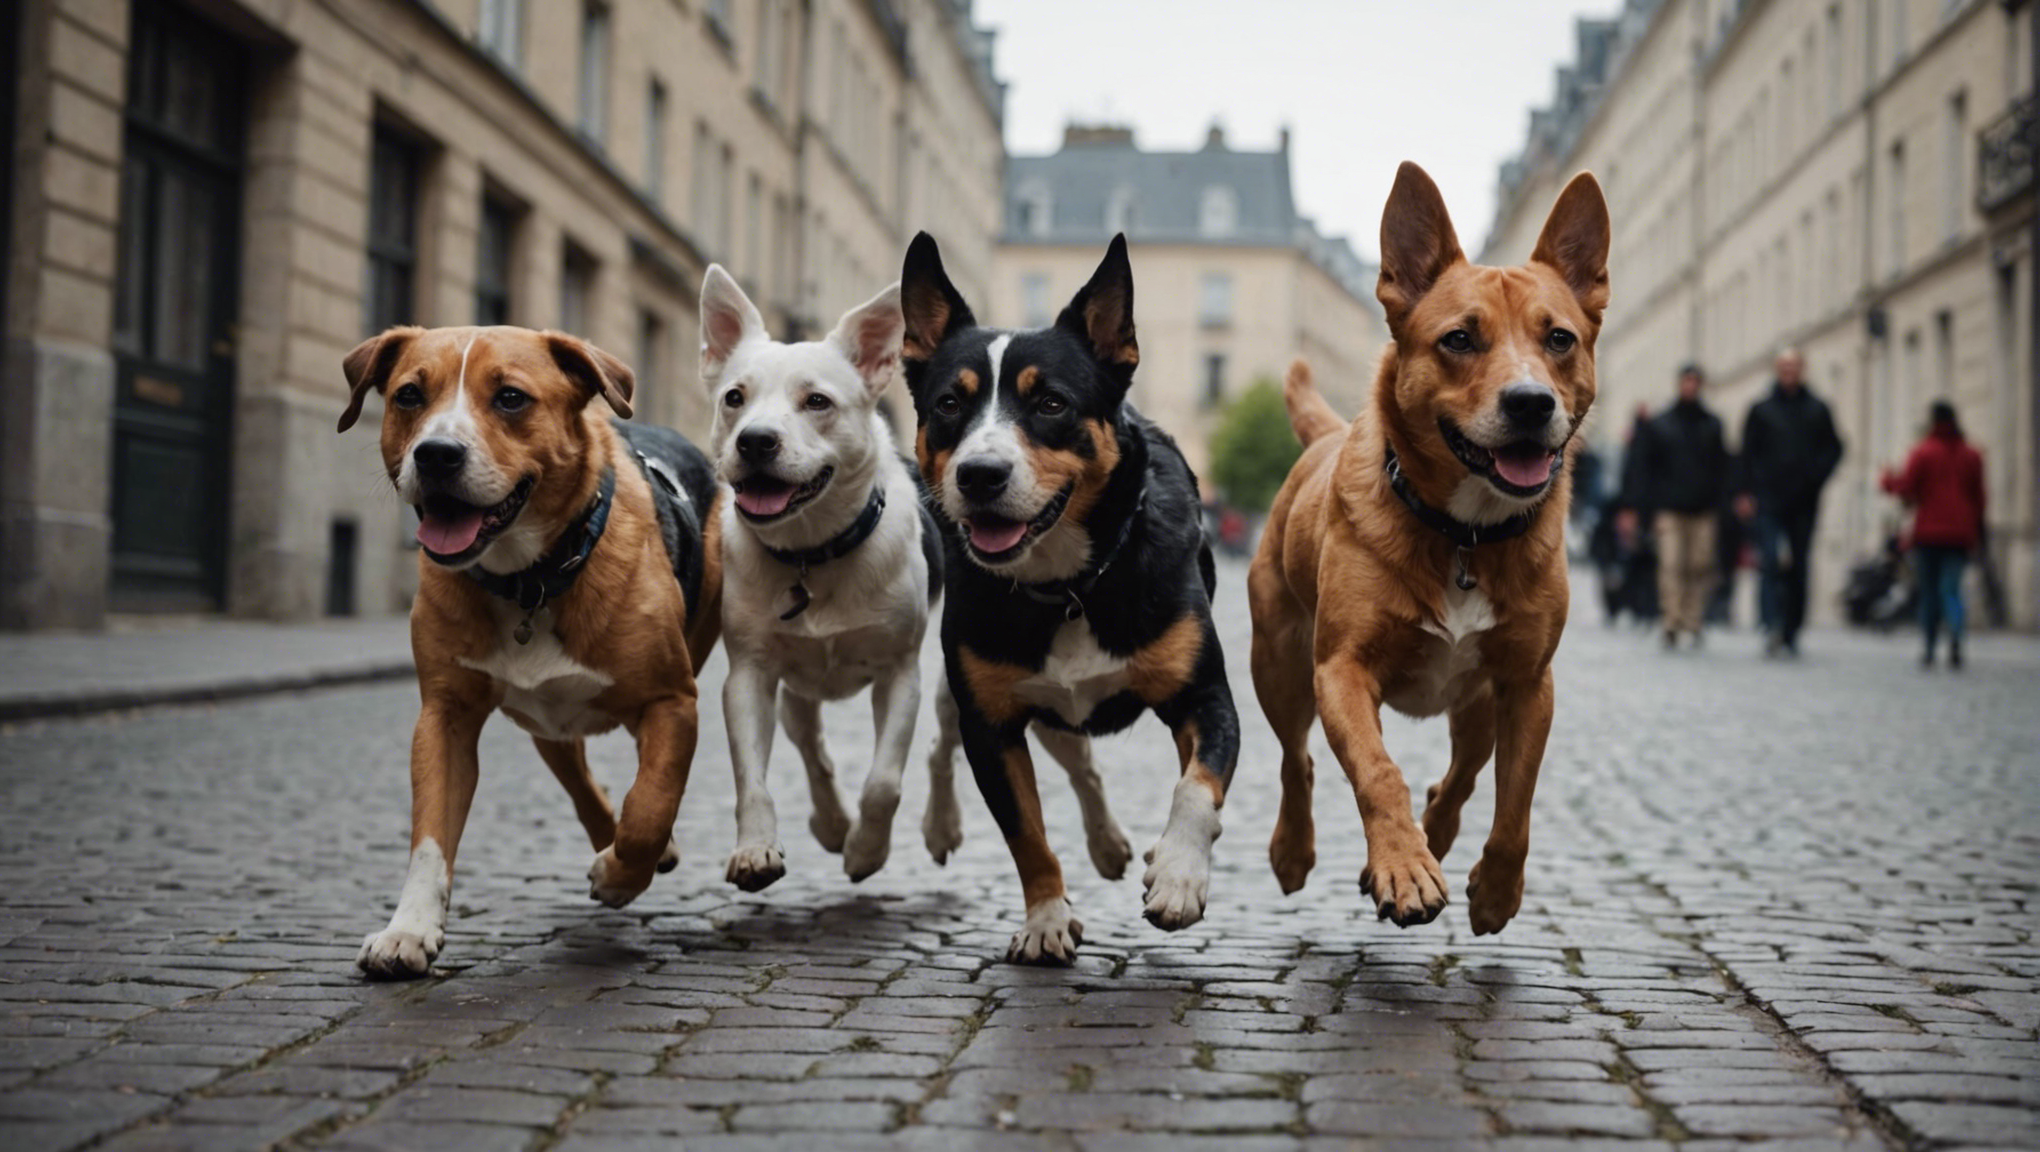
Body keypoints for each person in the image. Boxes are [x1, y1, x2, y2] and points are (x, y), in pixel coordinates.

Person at [1735, 349, 1844, 657]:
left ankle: (1793, 628)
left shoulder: (1817, 409)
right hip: (1768, 499)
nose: (1789, 372)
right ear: (1776, 370)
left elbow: (1834, 448)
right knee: (1769, 561)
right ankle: (1770, 624)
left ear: (1802, 369)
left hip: (1804, 500)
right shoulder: (1762, 409)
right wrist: (1745, 492)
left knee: (1799, 565)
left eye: (1794, 366)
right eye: (1783, 367)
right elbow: (1746, 453)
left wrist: (1815, 478)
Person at [1625, 364, 1731, 648]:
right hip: (1669, 509)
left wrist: (1723, 504)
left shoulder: (1712, 424)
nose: (1691, 386)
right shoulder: (1661, 425)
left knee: (1699, 565)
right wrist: (1643, 510)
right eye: (1687, 381)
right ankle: (1671, 620)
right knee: (1671, 564)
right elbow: (1645, 470)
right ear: (1680, 384)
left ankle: (1693, 620)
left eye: (1696, 381)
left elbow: (1722, 467)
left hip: (1704, 509)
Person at [1882, 400, 1985, 669]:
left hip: (1928, 532)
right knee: (1951, 589)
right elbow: (1979, 497)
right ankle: (1956, 638)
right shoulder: (1971, 455)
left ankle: (1929, 646)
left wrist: (1886, 480)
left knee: (1929, 591)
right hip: (1961, 533)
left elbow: (1905, 487)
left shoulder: (1923, 452)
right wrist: (1978, 529)